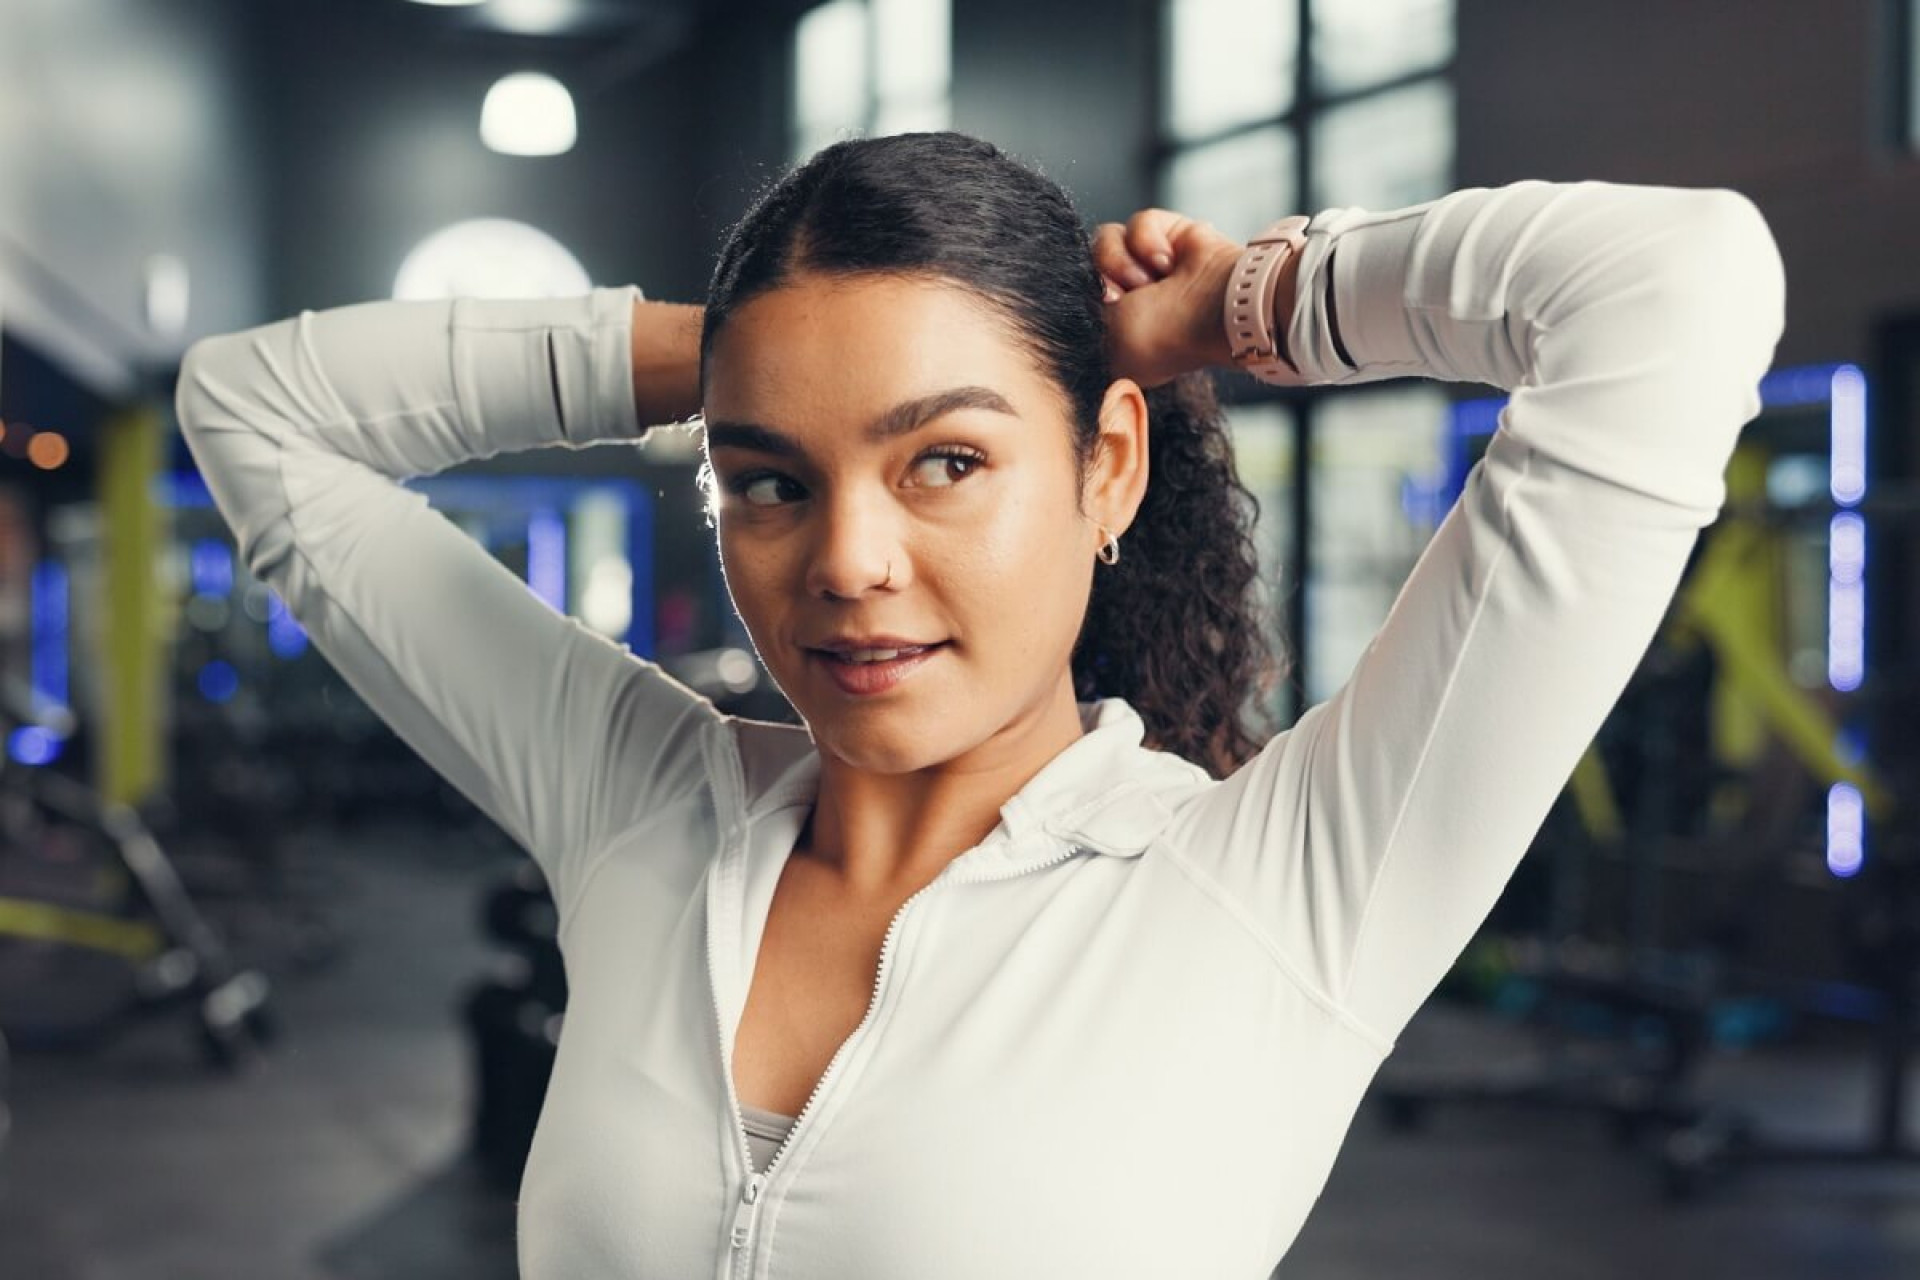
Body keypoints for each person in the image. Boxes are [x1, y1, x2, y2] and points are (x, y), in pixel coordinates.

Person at [174, 131, 1785, 1278]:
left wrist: (1250, 305)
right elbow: (254, 409)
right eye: (772, 481)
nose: (850, 563)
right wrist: (727, 353)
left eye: (944, 459)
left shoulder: (1289, 886)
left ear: (1108, 466)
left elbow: (1675, 284)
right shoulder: (641, 807)